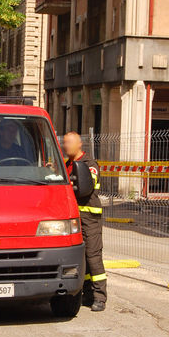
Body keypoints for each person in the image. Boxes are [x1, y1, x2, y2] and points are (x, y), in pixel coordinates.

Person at [63, 131, 106, 312]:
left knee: (93, 257)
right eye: (64, 143)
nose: (65, 146)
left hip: (89, 218)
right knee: (82, 258)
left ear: (79, 144)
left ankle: (100, 297)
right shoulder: (67, 164)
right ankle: (87, 294)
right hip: (74, 219)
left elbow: (85, 187)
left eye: (68, 143)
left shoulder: (89, 165)